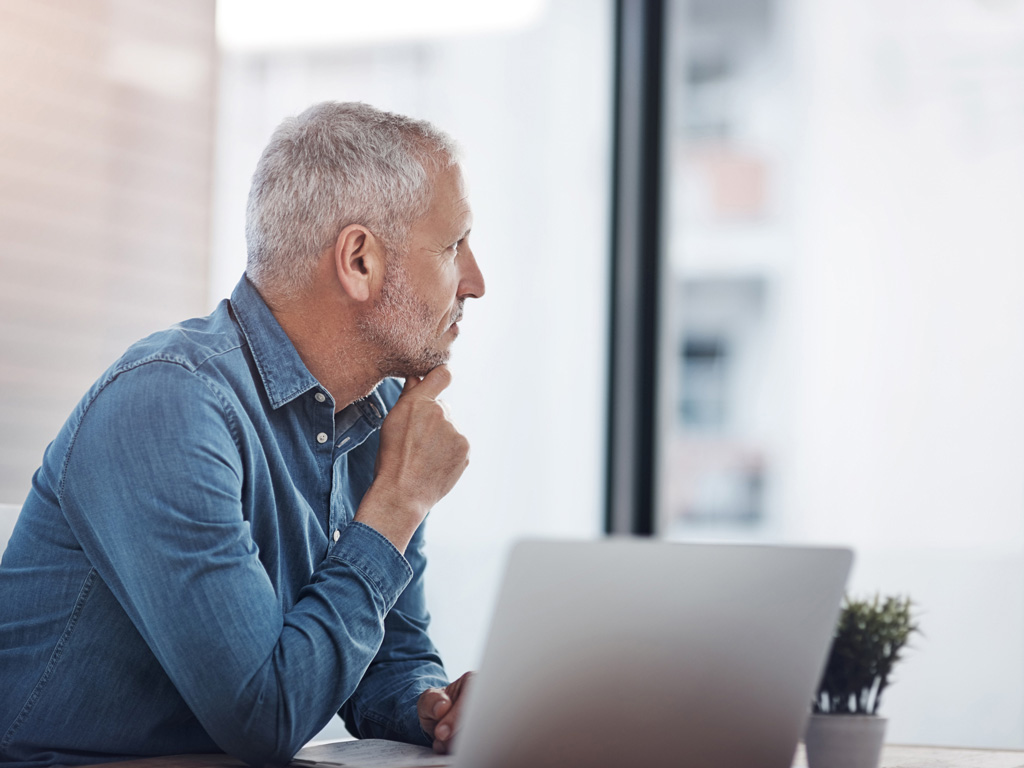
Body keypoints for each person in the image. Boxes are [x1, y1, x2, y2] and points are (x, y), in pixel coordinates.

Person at [0, 102, 485, 767]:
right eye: (454, 246)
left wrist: (432, 707)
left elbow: (386, 664)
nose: (476, 283)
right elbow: (265, 715)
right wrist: (398, 505)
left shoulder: (381, 420)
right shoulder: (167, 403)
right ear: (359, 261)